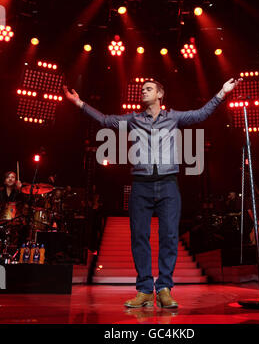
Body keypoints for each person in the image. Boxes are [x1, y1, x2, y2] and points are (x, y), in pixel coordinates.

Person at [63, 77, 241, 308]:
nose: (143, 92)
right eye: (142, 89)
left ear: (160, 94)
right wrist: (79, 103)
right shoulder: (135, 119)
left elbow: (200, 115)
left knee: (168, 237)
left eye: (148, 89)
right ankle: (145, 290)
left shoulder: (173, 117)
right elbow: (107, 120)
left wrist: (222, 93)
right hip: (141, 185)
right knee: (139, 237)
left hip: (168, 184)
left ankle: (164, 288)